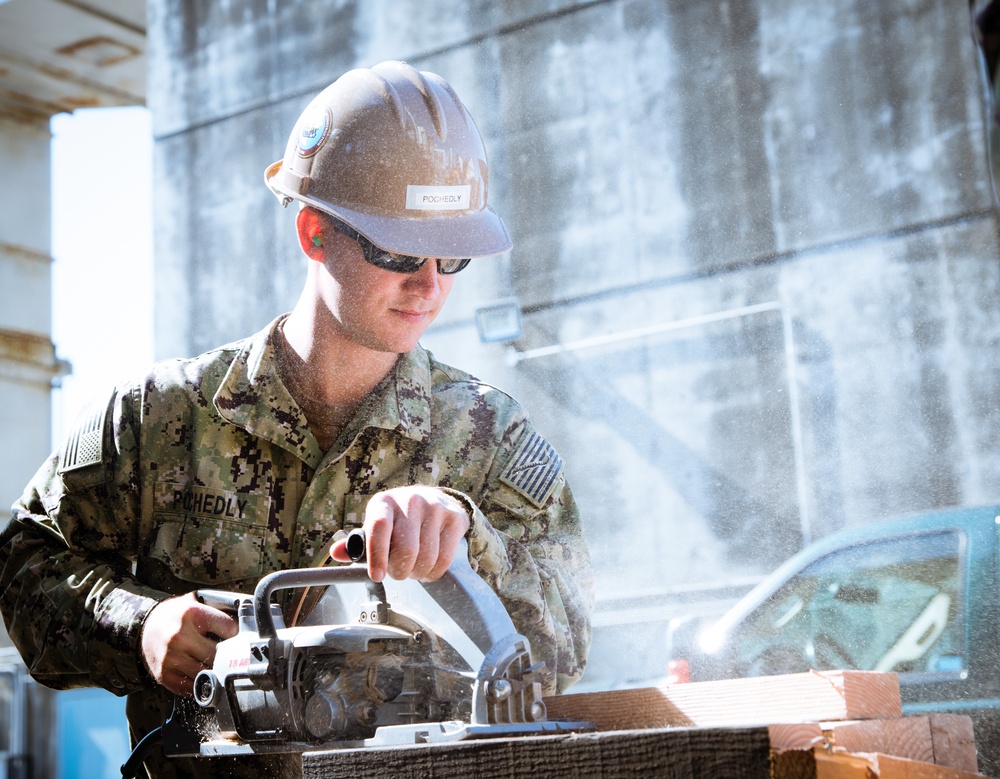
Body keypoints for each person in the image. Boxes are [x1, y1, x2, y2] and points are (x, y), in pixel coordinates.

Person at [0, 61, 593, 778]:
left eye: (452, 254)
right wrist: (141, 626)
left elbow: (565, 641)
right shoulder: (161, 417)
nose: (430, 283)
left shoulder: (490, 439)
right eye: (399, 250)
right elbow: (24, 560)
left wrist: (465, 544)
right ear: (314, 233)